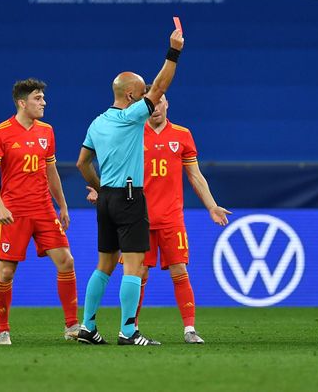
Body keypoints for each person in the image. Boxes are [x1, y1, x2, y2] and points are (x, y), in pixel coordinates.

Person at [75, 27, 184, 346]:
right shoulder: (131, 117)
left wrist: (99, 189)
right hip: (129, 196)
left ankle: (88, 327)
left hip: (107, 196)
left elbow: (82, 163)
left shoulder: (97, 122)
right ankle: (128, 330)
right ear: (132, 97)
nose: (152, 97)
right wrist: (174, 51)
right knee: (134, 266)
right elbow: (161, 84)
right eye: (143, 93)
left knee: (103, 266)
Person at [0, 78, 79, 346]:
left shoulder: (47, 131)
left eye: (43, 98)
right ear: (22, 103)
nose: (43, 103)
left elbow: (51, 171)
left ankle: (72, 325)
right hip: (14, 211)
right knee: (5, 273)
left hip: (44, 209)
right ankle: (3, 330)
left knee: (67, 262)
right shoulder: (0, 132)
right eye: (38, 98)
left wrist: (62, 204)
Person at [132, 92, 230, 344]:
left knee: (179, 268)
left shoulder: (182, 135)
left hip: (171, 218)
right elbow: (115, 168)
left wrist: (212, 206)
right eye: (150, 103)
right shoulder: (132, 133)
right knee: (138, 273)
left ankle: (189, 329)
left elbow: (195, 176)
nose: (155, 108)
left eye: (159, 101)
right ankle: (131, 329)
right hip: (138, 218)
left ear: (167, 103)